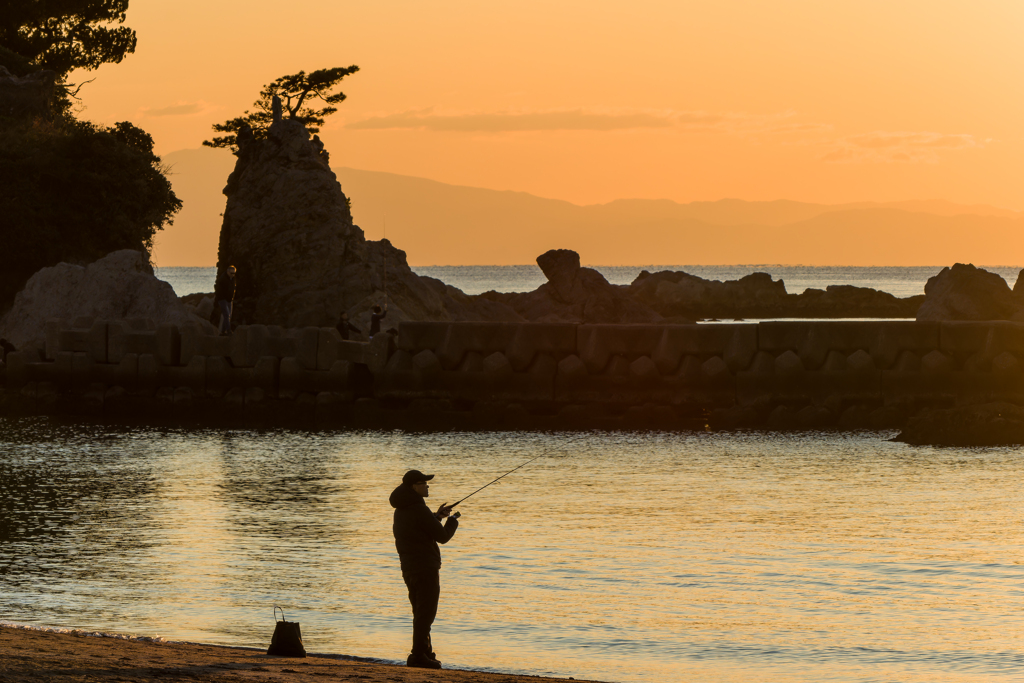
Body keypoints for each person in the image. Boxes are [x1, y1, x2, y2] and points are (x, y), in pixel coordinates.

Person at [389, 469, 460, 669]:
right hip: (425, 567)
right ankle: (418, 655)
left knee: (420, 612)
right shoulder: (418, 509)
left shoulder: (403, 508)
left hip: (410, 568)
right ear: (414, 487)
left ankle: (425, 652)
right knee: (426, 613)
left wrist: (437, 516)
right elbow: (443, 537)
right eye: (423, 483)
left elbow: (422, 531)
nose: (427, 486)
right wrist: (452, 521)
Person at [214, 265, 237, 336]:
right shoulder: (223, 279)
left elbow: (233, 289)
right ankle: (228, 330)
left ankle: (223, 331)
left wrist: (231, 297)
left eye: (234, 273)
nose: (233, 275)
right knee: (226, 314)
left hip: (229, 299)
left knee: (228, 315)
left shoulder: (233, 279)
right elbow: (218, 290)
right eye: (231, 273)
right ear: (227, 272)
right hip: (223, 299)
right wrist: (219, 299)